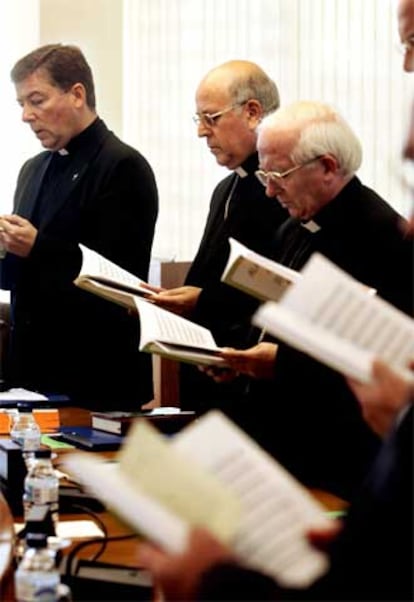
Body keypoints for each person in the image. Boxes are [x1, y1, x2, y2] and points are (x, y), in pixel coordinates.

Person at [206, 100, 413, 499]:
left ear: (328, 167)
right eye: (264, 173)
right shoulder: (292, 227)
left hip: (338, 457)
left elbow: (382, 364)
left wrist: (280, 365)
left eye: (278, 174)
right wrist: (241, 357)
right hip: (280, 442)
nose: (268, 190)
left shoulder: (383, 237)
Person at [0, 44, 158, 410]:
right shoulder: (32, 169)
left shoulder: (123, 166)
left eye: (36, 100)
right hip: (32, 373)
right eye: (21, 103)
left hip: (95, 376)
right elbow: (16, 277)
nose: (26, 115)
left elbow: (118, 280)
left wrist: (37, 246)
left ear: (76, 94)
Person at [147, 60, 288, 414]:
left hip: (252, 385)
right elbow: (209, 276)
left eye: (211, 118)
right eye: (199, 120)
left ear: (253, 112)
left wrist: (202, 301)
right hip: (206, 374)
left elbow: (277, 294)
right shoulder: (225, 188)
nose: (201, 133)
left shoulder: (285, 190)